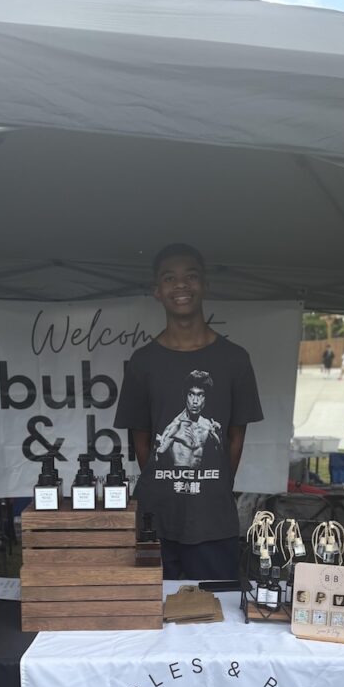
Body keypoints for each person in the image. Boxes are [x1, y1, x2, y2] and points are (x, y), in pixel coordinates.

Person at [114, 243, 263, 580]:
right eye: (170, 278)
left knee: (216, 608)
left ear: (205, 285)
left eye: (190, 276)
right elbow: (142, 441)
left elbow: (235, 438)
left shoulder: (234, 359)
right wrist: (165, 482)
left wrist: (213, 485)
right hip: (156, 518)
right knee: (152, 608)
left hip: (213, 520)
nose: (181, 285)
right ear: (157, 290)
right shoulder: (143, 362)